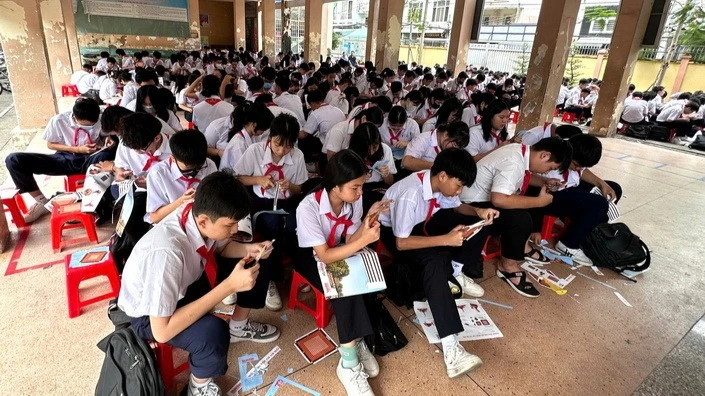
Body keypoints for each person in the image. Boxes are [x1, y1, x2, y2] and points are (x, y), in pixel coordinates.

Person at [118, 172, 272, 396]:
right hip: (148, 316)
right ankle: (198, 385)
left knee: (256, 262)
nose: (236, 230)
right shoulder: (167, 253)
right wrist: (229, 286)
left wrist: (251, 249)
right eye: (230, 224)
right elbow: (162, 331)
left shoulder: (199, 214)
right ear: (203, 221)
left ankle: (239, 326)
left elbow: (219, 248)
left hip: (186, 282)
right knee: (212, 333)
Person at [379, 149, 498, 378]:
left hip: (419, 222)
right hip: (393, 233)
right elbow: (402, 242)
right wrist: (446, 239)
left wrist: (478, 211)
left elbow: (455, 205)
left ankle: (454, 271)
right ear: (443, 176)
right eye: (459, 184)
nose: (459, 190)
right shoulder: (410, 194)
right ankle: (451, 348)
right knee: (433, 261)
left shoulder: (434, 181)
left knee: (473, 224)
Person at [296, 150, 385, 396]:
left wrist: (368, 221)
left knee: (365, 276)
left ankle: (355, 342)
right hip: (311, 258)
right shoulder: (309, 208)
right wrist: (361, 241)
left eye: (361, 187)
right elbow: (324, 255)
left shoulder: (352, 203)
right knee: (345, 284)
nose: (360, 194)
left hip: (338, 249)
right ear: (335, 186)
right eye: (355, 187)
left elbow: (350, 238)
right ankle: (348, 363)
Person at [460, 138, 573, 298]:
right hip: (470, 208)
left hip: (480, 201)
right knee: (520, 218)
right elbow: (499, 199)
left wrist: (545, 181)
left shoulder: (519, 151)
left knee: (525, 208)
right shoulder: (514, 162)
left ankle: (518, 249)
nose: (547, 172)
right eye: (550, 168)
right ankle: (507, 267)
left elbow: (521, 177)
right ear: (544, 155)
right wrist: (539, 202)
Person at [233, 114, 309, 311]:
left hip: (286, 201)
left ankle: (303, 272)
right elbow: (238, 177)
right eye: (277, 144)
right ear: (270, 137)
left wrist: (289, 185)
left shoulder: (298, 156)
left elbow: (299, 189)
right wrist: (258, 180)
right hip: (261, 202)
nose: (282, 151)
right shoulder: (255, 151)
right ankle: (271, 280)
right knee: (272, 229)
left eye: (287, 146)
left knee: (298, 228)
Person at [5, 98, 113, 223]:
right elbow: (51, 144)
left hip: (92, 158)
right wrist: (76, 149)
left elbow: (109, 135)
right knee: (14, 160)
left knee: (110, 153)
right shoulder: (59, 120)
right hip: (64, 158)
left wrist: (109, 140)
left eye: (91, 125)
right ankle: (42, 202)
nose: (89, 128)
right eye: (84, 125)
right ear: (74, 118)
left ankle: (101, 202)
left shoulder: (102, 117)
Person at [527, 134, 621, 265]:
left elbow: (582, 171)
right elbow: (532, 193)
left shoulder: (575, 160)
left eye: (581, 167)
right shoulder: (550, 162)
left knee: (614, 188)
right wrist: (535, 228)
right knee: (598, 204)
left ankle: (587, 231)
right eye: (576, 165)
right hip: (550, 198)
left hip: (567, 189)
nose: (578, 169)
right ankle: (568, 244)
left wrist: (601, 183)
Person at [146, 130, 218, 224]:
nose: (194, 172)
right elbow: (155, 218)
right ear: (172, 158)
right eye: (188, 169)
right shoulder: (158, 174)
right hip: (170, 224)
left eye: (199, 167)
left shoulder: (209, 165)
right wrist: (181, 201)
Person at [346, 122, 397, 213]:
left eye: (375, 147)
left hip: (378, 188)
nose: (372, 152)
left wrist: (386, 174)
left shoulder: (385, 150)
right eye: (367, 149)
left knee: (392, 207)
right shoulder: (349, 154)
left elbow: (390, 182)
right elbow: (345, 183)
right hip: (358, 189)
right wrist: (360, 179)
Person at [220, 102, 274, 171]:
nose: (263, 132)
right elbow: (239, 172)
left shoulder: (254, 136)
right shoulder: (239, 144)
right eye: (262, 129)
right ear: (253, 124)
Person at [298, 89, 346, 166]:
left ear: (312, 104)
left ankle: (309, 164)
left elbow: (303, 135)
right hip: (343, 144)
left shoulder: (316, 113)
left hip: (328, 148)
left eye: (311, 106)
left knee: (303, 140)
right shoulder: (338, 110)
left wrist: (293, 129)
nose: (311, 108)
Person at [402, 121, 470, 172]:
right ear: (446, 135)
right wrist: (437, 166)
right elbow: (407, 162)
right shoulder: (423, 139)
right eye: (454, 145)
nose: (454, 150)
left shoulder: (449, 146)